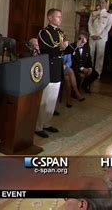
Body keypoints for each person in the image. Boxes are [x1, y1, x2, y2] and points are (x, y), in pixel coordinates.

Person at [35, 8, 74, 138]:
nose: (60, 19)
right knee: (45, 98)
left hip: (58, 66)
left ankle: (47, 123)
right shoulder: (44, 32)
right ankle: (38, 126)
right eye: (57, 16)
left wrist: (77, 44)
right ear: (50, 18)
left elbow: (66, 50)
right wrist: (61, 47)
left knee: (53, 97)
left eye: (61, 16)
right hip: (49, 65)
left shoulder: (60, 32)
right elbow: (48, 49)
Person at [88, 0, 112, 77]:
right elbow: (89, 24)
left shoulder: (109, 15)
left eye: (103, 2)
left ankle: (97, 73)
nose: (101, 4)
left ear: (106, 3)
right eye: (100, 2)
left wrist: (100, 36)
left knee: (100, 56)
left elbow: (107, 28)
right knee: (90, 54)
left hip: (101, 38)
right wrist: (92, 34)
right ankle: (89, 71)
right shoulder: (93, 13)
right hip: (92, 36)